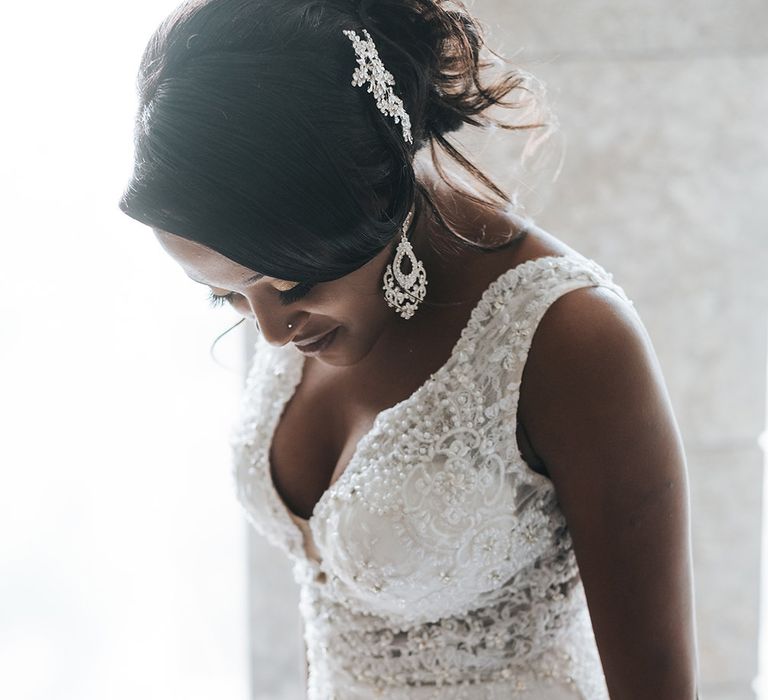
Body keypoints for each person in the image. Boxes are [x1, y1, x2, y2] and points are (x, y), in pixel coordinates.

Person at [119, 1, 700, 697]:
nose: (270, 333)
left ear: (371, 197)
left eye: (292, 282)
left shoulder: (569, 340)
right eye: (227, 297)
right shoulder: (301, 301)